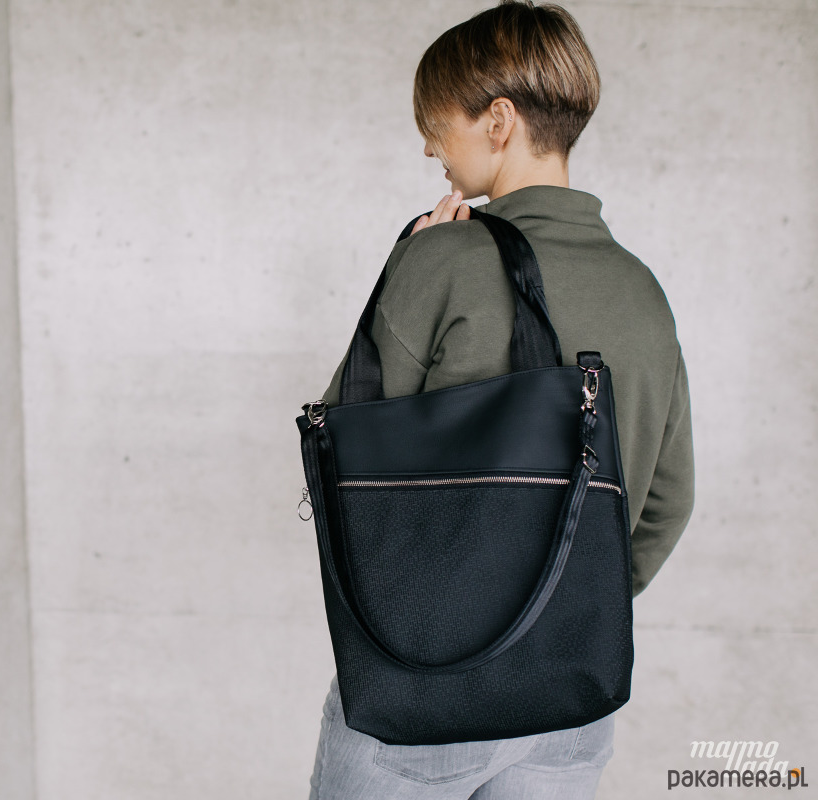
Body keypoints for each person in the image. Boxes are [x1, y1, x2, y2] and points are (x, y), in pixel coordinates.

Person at [306, 2, 695, 798]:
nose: (428, 147)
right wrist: (562, 607)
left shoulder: (443, 260)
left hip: (424, 692)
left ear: (498, 120)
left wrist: (407, 265)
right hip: (570, 704)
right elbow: (667, 501)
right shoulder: (643, 289)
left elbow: (338, 453)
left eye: (435, 124)